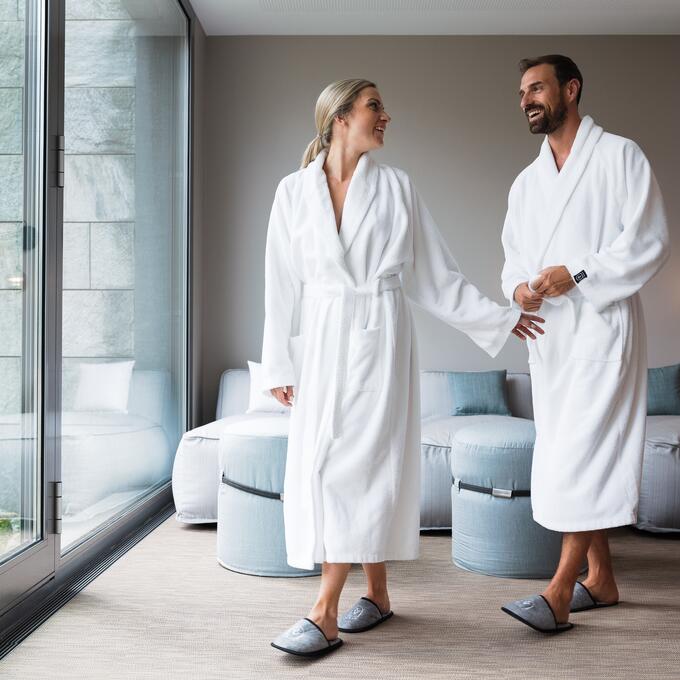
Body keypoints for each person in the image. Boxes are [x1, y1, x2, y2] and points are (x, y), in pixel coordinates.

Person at [261, 78, 544, 658]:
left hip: (379, 337)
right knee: (331, 465)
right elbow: (279, 286)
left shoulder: (396, 188)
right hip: (321, 341)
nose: (386, 116)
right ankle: (381, 597)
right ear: (340, 118)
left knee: (361, 464)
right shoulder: (293, 193)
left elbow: (437, 275)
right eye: (374, 107)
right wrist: (278, 363)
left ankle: (325, 611)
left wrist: (497, 319)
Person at [500, 55, 669, 634]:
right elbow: (511, 265)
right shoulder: (526, 184)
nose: (527, 99)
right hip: (552, 343)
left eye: (537, 88)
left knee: (586, 456)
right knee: (564, 458)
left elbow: (649, 240)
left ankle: (559, 591)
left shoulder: (620, 156)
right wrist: (521, 288)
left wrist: (581, 274)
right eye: (522, 91)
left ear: (571, 89)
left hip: (602, 331)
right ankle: (602, 579)